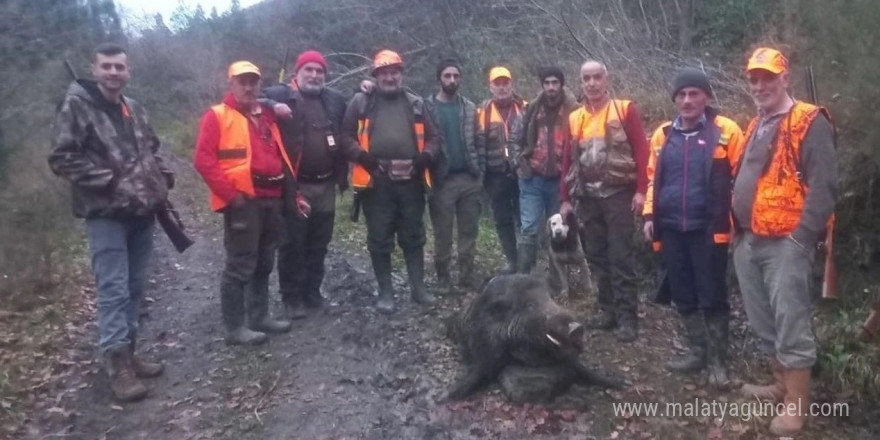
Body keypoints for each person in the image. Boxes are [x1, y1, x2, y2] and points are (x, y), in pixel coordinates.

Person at [49, 43, 170, 401]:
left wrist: (159, 179)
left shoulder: (133, 108)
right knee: (113, 289)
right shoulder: (76, 106)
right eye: (107, 66)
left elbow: (150, 148)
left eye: (120, 67)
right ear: (95, 68)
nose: (114, 72)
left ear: (128, 71)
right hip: (105, 214)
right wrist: (112, 181)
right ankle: (117, 365)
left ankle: (129, 353)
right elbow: (61, 158)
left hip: (141, 212)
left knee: (134, 286)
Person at [732, 48, 837, 436]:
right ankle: (779, 384)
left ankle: (796, 405)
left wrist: (800, 240)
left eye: (767, 77)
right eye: (754, 79)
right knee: (764, 322)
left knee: (791, 323)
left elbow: (825, 186)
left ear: (785, 77)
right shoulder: (756, 123)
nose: (760, 85)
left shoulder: (809, 120)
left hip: (786, 244)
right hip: (749, 240)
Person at [642, 68, 745, 387]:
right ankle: (697, 351)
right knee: (683, 292)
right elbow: (651, 178)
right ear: (674, 98)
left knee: (712, 294)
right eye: (681, 95)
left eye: (694, 94)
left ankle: (718, 363)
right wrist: (649, 215)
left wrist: (739, 222)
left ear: (707, 97)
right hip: (671, 227)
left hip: (709, 228)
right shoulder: (662, 134)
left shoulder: (726, 130)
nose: (687, 100)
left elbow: (742, 179)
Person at [194, 61, 308, 345]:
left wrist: (292, 195)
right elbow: (203, 161)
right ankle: (235, 328)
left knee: (264, 261)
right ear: (231, 83)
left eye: (253, 81)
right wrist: (232, 197)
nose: (248, 86)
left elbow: (281, 158)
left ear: (259, 84)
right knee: (240, 264)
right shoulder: (217, 116)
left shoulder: (266, 115)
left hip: (273, 199)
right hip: (244, 201)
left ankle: (258, 317)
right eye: (242, 81)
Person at [340, 50, 442, 313]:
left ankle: (418, 289)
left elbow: (434, 138)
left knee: (414, 235)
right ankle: (386, 292)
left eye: (394, 71)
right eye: (383, 72)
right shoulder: (361, 102)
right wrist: (364, 158)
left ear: (401, 73)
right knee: (379, 237)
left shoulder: (416, 103)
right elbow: (345, 136)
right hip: (377, 181)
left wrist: (424, 159)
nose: (389, 76)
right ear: (375, 75)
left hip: (411, 180)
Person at [559, 60, 650, 343]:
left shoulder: (624, 110)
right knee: (597, 255)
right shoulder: (575, 118)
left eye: (597, 77)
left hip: (618, 195)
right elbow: (566, 161)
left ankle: (627, 319)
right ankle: (607, 311)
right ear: (581, 82)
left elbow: (643, 152)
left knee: (621, 256)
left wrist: (641, 191)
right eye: (586, 78)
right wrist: (564, 199)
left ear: (606, 79)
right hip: (587, 196)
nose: (592, 83)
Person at [262, 50, 348, 319]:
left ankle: (313, 293)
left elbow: (358, 109)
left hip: (326, 185)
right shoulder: (280, 94)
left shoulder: (334, 100)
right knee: (292, 244)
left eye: (319, 71)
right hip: (295, 186)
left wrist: (367, 88)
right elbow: (248, 98)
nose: (314, 75)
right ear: (296, 74)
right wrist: (271, 106)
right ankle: (292, 298)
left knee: (319, 243)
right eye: (308, 70)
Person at [424, 59, 484, 292]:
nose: (452, 80)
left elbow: (479, 139)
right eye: (447, 76)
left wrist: (481, 172)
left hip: (469, 177)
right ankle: (443, 279)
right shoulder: (426, 107)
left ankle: (466, 276)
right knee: (443, 233)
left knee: (469, 231)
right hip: (442, 180)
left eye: (456, 76)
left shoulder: (469, 107)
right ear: (439, 78)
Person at [514, 66, 578, 275]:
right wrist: (518, 163)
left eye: (555, 83)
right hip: (532, 178)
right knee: (529, 228)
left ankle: (558, 280)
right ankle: (525, 277)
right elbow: (515, 139)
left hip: (561, 181)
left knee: (559, 229)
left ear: (561, 84)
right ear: (542, 85)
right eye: (547, 83)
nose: (551, 87)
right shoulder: (531, 108)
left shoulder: (574, 110)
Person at [476, 66, 527, 274]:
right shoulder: (482, 112)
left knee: (525, 219)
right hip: (495, 175)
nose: (502, 87)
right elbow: (476, 143)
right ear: (491, 87)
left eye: (505, 83)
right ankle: (512, 261)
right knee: (502, 219)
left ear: (512, 84)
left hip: (522, 172)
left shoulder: (526, 107)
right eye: (498, 84)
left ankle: (526, 262)